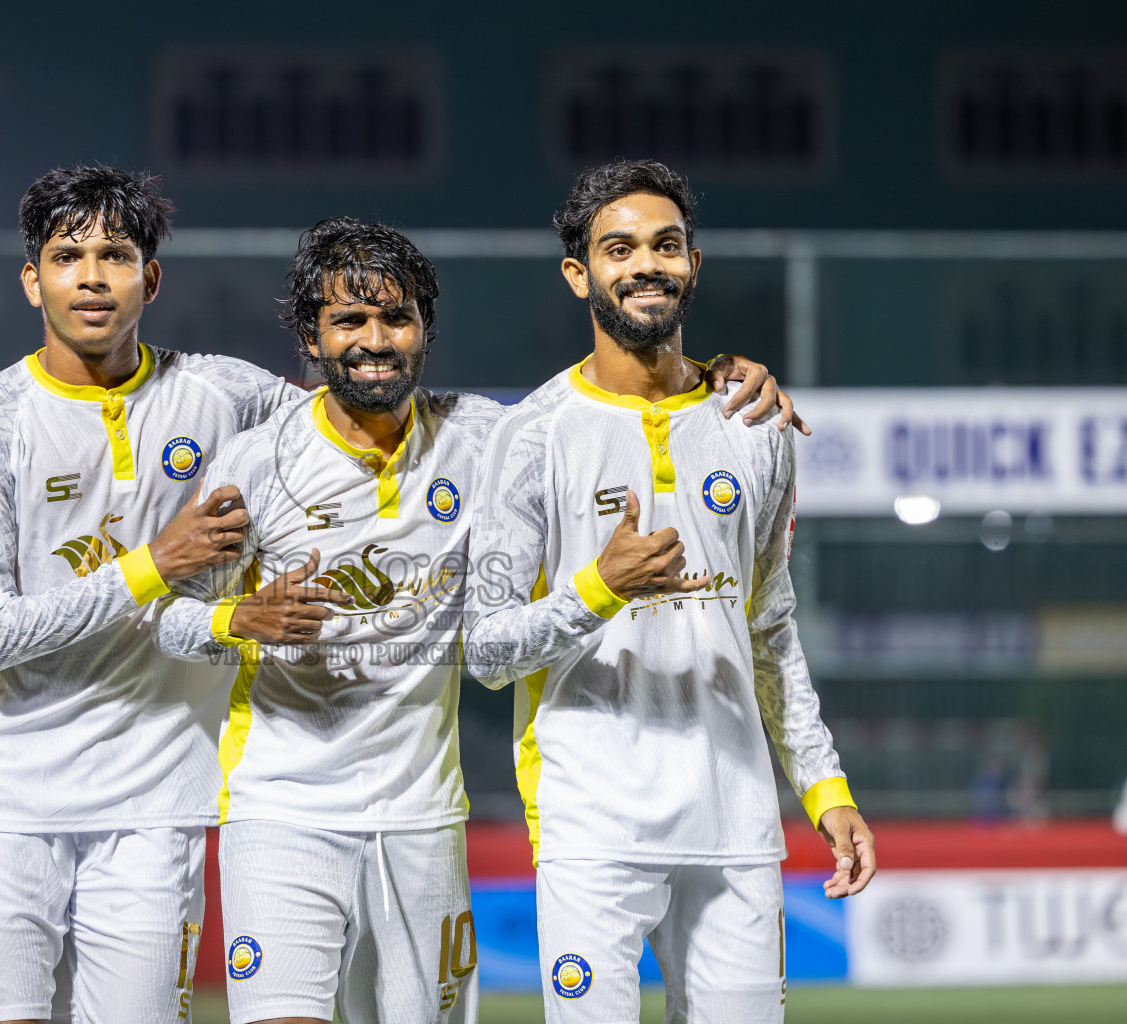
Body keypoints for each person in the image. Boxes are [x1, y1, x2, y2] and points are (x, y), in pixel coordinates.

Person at [154, 218, 801, 1024]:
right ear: (311, 340)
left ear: (425, 330)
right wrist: (236, 619)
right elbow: (169, 626)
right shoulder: (257, 461)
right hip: (282, 812)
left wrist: (722, 376)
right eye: (348, 321)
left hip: (426, 821)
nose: (375, 340)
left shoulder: (488, 439)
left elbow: (609, 407)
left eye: (397, 318)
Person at [464, 160, 874, 1024]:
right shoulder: (531, 436)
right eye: (619, 249)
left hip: (736, 824)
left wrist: (826, 790)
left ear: (694, 264)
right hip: (591, 826)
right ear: (581, 273)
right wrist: (597, 588)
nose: (645, 264)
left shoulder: (756, 428)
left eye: (666, 245)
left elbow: (772, 633)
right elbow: (488, 650)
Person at [0, 165, 309, 1024]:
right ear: (32, 279)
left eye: (116, 255)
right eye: (67, 256)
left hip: (162, 787)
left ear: (150, 279)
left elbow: (350, 437)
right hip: (10, 783)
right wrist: (157, 563)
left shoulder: (228, 395)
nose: (91, 276)